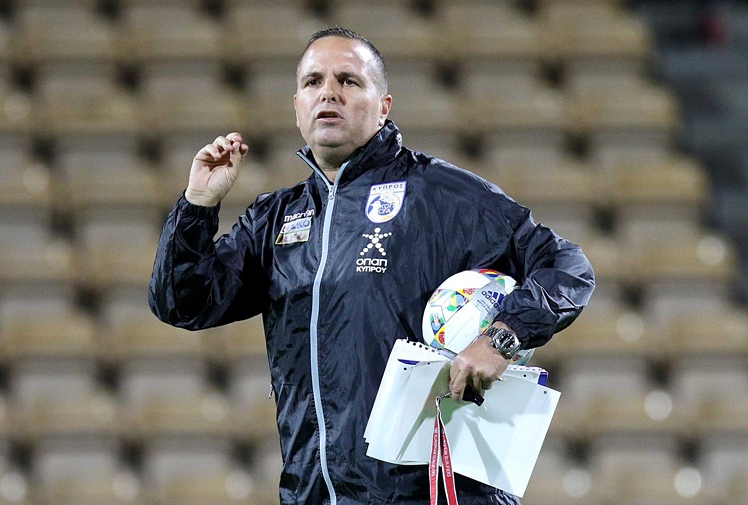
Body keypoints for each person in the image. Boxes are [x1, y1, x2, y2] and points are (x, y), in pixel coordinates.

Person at [149, 27, 595, 505]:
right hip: (312, 493)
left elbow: (566, 267)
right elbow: (184, 303)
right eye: (313, 82)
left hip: (435, 494)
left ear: (383, 106)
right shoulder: (275, 220)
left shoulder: (442, 195)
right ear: (297, 106)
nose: (329, 93)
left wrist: (502, 338)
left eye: (348, 80)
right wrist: (197, 205)